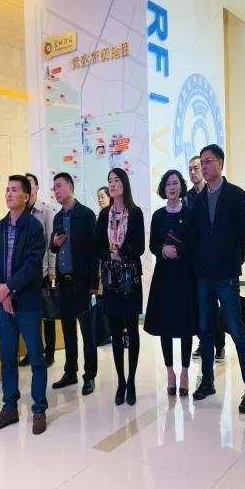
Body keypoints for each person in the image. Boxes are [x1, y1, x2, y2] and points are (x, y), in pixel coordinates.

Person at [190, 144, 245, 410]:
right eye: (201, 162)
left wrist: (235, 259)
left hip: (227, 274)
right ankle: (207, 381)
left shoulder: (236, 195)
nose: (204, 167)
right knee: (205, 331)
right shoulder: (197, 200)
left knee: (237, 332)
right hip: (204, 276)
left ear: (220, 163)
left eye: (208, 162)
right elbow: (195, 236)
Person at [0, 175, 48, 435]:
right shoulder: (0, 227)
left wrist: (8, 288)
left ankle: (39, 409)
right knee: (7, 358)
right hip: (6, 304)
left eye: (14, 190)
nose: (9, 194)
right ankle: (10, 407)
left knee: (36, 357)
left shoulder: (34, 227)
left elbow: (33, 265)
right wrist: (1, 289)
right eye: (7, 190)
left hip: (28, 303)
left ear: (26, 196)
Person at [144, 170, 198, 396]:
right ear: (163, 189)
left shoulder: (191, 213)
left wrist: (180, 251)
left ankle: (184, 372)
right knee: (165, 326)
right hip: (164, 277)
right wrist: (163, 250)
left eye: (175, 183)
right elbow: (152, 245)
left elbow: (195, 244)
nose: (172, 188)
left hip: (185, 276)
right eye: (168, 184)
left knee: (186, 326)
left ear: (181, 186)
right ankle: (170, 372)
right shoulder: (158, 215)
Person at [96, 167, 145, 406]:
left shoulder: (135, 212)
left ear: (124, 183)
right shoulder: (104, 214)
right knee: (115, 332)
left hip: (130, 279)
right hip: (110, 279)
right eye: (110, 180)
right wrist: (108, 253)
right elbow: (97, 245)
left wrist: (121, 251)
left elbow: (140, 246)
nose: (112, 183)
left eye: (116, 179)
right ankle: (121, 381)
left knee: (132, 330)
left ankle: (132, 380)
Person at [50, 172, 99, 396]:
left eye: (59, 186)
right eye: (54, 188)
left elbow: (94, 252)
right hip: (64, 282)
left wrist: (94, 283)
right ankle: (70, 372)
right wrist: (53, 244)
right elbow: (54, 247)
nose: (56, 191)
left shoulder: (86, 215)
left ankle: (90, 376)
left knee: (88, 333)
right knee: (68, 330)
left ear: (70, 187)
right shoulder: (58, 218)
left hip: (82, 283)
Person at [187, 155, 226, 363]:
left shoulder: (217, 193)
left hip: (219, 264)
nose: (195, 172)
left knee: (217, 306)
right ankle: (204, 343)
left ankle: (219, 345)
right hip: (197, 263)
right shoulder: (188, 197)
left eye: (198, 167)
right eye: (191, 169)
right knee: (201, 307)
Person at [19, 173, 56, 368]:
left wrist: (51, 271)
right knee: (30, 316)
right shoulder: (20, 211)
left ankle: (49, 353)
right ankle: (32, 352)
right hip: (26, 274)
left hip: (43, 271)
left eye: (30, 183)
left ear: (37, 187)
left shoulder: (45, 211)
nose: (27, 186)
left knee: (47, 314)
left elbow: (51, 243)